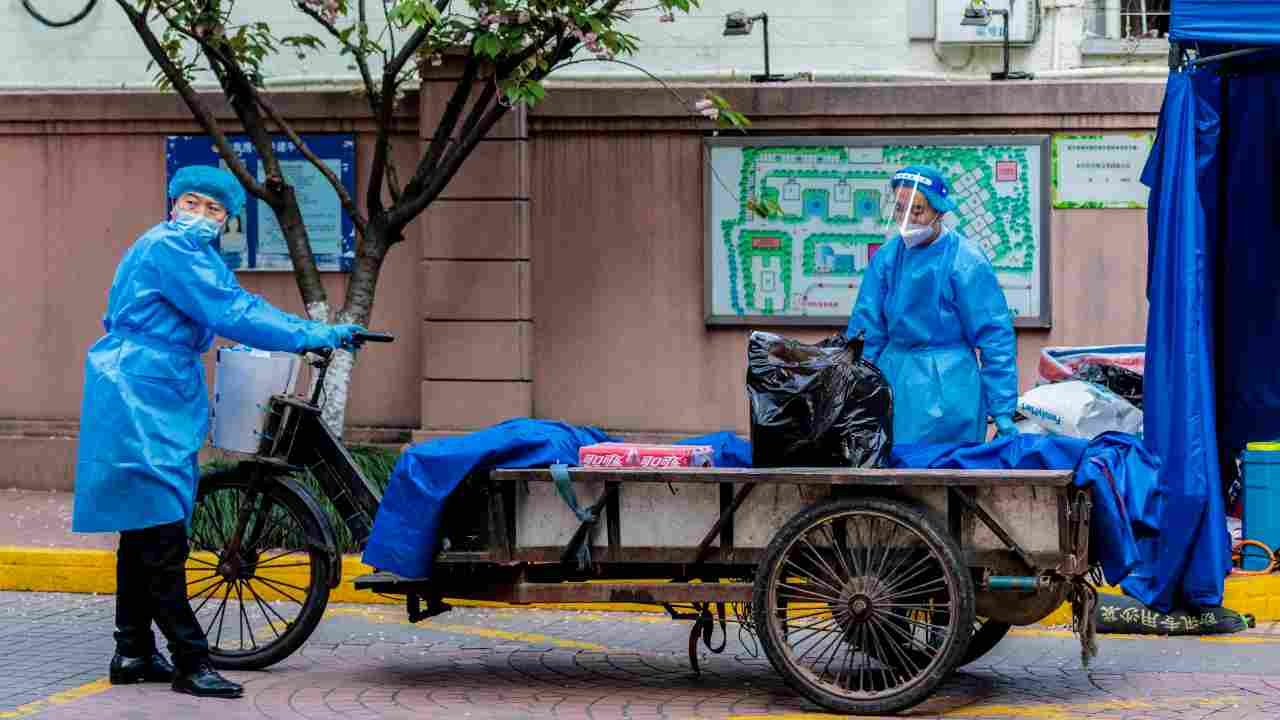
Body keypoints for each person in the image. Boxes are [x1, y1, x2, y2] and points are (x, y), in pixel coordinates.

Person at [71, 165, 365, 699]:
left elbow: (229, 305)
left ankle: (133, 651)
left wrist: (308, 332)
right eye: (194, 203)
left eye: (215, 209)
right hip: (141, 392)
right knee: (161, 532)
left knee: (143, 526)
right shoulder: (169, 247)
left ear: (226, 220)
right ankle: (190, 660)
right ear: (172, 202)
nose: (202, 215)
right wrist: (314, 333)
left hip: (153, 386)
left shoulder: (190, 254)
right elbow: (232, 309)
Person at [846, 165, 1018, 445]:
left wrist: (1002, 408)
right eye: (900, 210)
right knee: (896, 475)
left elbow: (994, 335)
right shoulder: (888, 258)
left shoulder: (966, 261)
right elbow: (867, 329)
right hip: (895, 379)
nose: (906, 220)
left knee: (951, 475)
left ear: (939, 211)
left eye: (917, 211)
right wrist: (852, 385)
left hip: (953, 387)